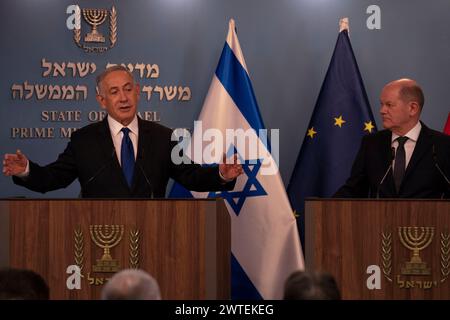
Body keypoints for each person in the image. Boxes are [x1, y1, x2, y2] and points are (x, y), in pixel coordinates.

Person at [2, 65, 243, 197]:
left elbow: (191, 176)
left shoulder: (163, 137)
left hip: (153, 233)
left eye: (128, 89)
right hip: (98, 235)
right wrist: (26, 170)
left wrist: (221, 174)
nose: (124, 97)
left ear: (138, 92)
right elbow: (53, 179)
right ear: (101, 100)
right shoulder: (83, 141)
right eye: (114, 91)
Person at [334, 78, 450, 198]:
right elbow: (354, 190)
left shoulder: (443, 145)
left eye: (389, 105)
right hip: (378, 216)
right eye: (382, 104)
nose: (382, 111)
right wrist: (325, 207)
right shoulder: (371, 143)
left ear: (412, 108)